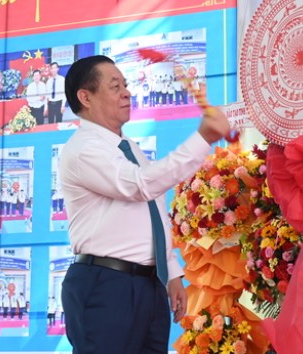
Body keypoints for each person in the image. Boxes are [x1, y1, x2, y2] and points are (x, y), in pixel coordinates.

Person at [59, 55, 230, 353]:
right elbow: (141, 185)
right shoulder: (84, 149)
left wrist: (170, 271)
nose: (126, 92)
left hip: (146, 284)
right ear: (85, 97)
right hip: (106, 284)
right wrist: (203, 138)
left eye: (125, 84)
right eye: (115, 86)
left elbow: (150, 210)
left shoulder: (128, 147)